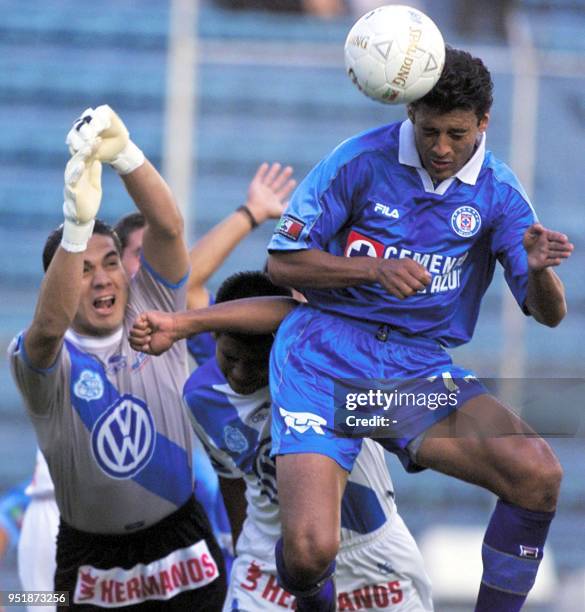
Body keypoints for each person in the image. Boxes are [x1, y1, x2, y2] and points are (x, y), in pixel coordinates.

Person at [263, 47, 573, 612]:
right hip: (323, 365)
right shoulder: (358, 161)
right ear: (410, 115)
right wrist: (372, 268)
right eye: (429, 131)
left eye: (457, 133)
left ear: (484, 121)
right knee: (309, 553)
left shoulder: (500, 195)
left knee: (537, 475)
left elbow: (548, 314)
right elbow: (282, 264)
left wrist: (540, 271)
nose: (441, 148)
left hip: (411, 377)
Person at [8, 105, 226, 610]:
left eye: (111, 263)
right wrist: (76, 227)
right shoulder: (44, 358)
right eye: (84, 269)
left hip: (182, 547)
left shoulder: (155, 310)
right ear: (56, 284)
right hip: (91, 563)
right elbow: (46, 327)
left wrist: (126, 155)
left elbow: (168, 229)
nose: (104, 277)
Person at [186, 271, 434, 611]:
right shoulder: (200, 397)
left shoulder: (333, 370)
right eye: (230, 358)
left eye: (256, 363)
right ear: (214, 336)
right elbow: (231, 476)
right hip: (269, 558)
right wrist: (237, 545)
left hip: (370, 561)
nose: (241, 373)